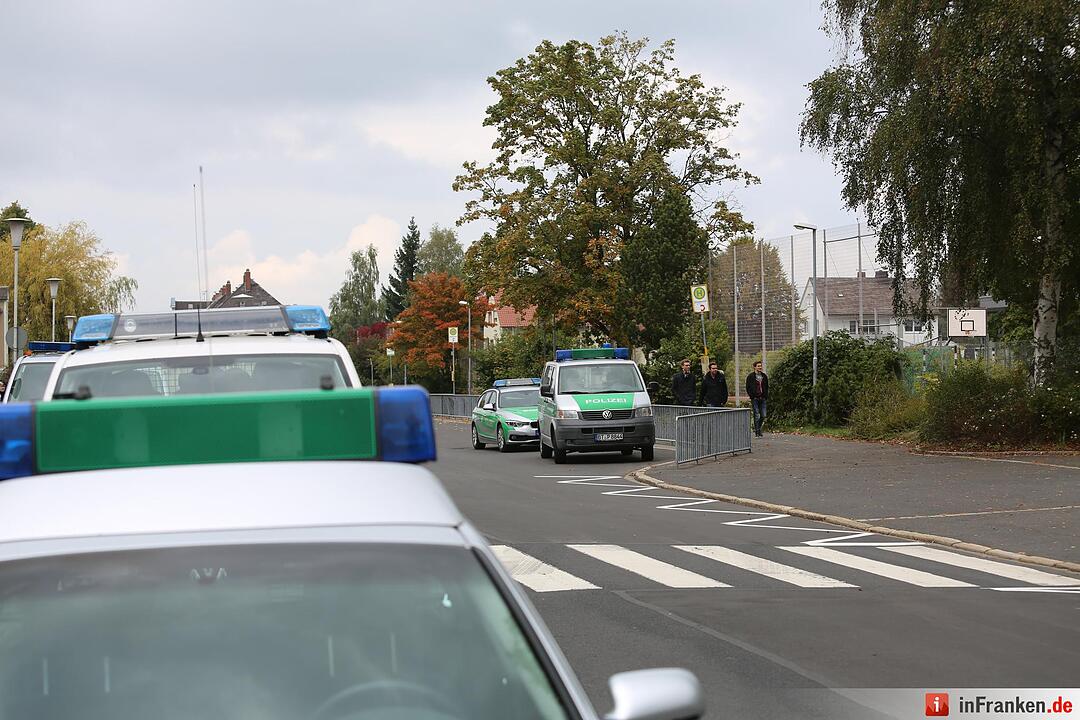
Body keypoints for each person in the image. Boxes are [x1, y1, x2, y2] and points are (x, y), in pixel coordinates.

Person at [745, 360, 768, 437]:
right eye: (758, 366)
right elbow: (748, 387)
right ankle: (757, 432)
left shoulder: (764, 376)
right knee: (756, 414)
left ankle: (758, 428)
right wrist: (752, 395)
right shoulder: (750, 377)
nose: (760, 367)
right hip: (755, 398)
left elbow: (766, 387)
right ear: (754, 367)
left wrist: (765, 395)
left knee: (763, 415)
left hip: (763, 398)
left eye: (760, 366)